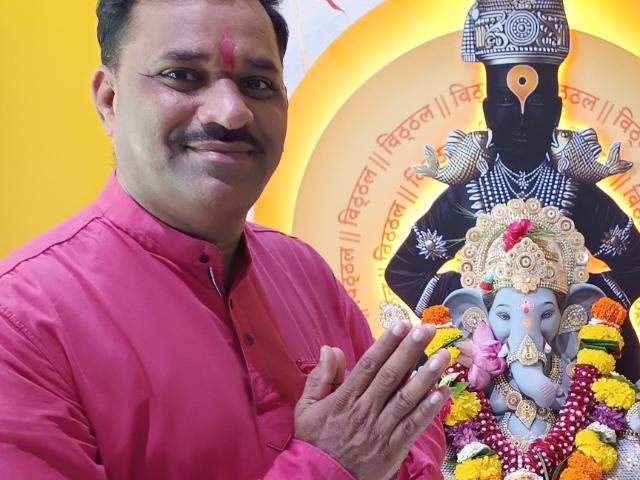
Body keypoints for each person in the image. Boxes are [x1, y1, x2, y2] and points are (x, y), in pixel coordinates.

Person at [0, 1, 451, 479]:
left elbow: (402, 446)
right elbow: (356, 456)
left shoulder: (302, 271)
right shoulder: (22, 323)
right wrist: (330, 466)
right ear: (109, 100)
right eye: (182, 76)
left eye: (256, 84)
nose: (231, 113)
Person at [385, 0, 640, 379]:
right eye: (506, 102)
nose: (521, 119)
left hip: (571, 357)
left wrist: (579, 300)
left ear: (556, 109)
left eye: (536, 103)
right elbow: (403, 272)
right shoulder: (470, 191)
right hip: (486, 361)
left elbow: (636, 263)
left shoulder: (574, 189)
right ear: (487, 110)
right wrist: (474, 303)